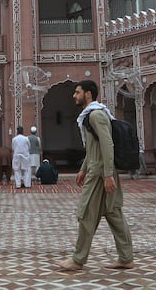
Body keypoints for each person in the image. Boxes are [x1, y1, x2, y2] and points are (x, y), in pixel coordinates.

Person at [56, 80, 134, 271]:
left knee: (85, 214)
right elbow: (94, 148)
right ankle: (126, 258)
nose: (74, 96)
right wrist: (83, 167)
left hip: (100, 173)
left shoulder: (96, 115)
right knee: (114, 213)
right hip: (100, 169)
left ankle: (78, 259)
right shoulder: (93, 115)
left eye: (77, 92)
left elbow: (107, 144)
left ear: (88, 94)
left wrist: (107, 174)